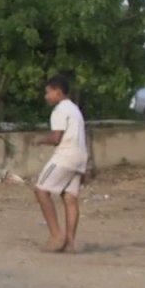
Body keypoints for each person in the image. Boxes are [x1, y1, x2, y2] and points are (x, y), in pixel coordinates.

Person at [33, 74, 88, 253]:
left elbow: (57, 138)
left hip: (66, 155)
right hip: (80, 156)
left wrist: (41, 141)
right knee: (70, 198)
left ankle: (56, 234)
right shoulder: (75, 109)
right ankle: (70, 243)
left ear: (57, 92)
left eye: (48, 92)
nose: (46, 96)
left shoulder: (59, 110)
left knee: (41, 190)